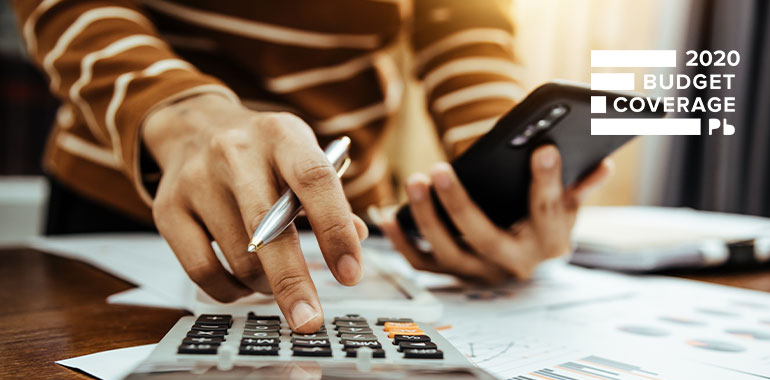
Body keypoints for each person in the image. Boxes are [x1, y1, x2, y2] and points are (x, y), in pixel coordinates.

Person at [12, 0, 612, 333]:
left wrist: (498, 162)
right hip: (129, 192)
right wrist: (178, 112)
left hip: (347, 215)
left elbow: (463, 21)